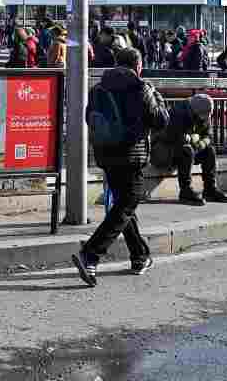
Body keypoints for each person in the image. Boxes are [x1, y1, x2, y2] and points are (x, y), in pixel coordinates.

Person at [72, 48, 169, 286]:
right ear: (137, 66)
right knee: (127, 204)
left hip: (105, 154)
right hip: (131, 155)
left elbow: (89, 118)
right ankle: (91, 254)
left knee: (124, 206)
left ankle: (139, 255)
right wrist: (156, 98)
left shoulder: (98, 89)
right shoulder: (141, 88)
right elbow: (161, 120)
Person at [150, 93, 227, 205]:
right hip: (162, 151)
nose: (207, 117)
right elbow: (172, 137)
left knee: (209, 151)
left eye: (208, 114)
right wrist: (193, 139)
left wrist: (202, 143)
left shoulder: (202, 114)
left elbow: (208, 135)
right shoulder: (177, 113)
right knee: (187, 150)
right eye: (205, 114)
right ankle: (185, 190)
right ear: (195, 111)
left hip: (185, 149)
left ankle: (210, 189)